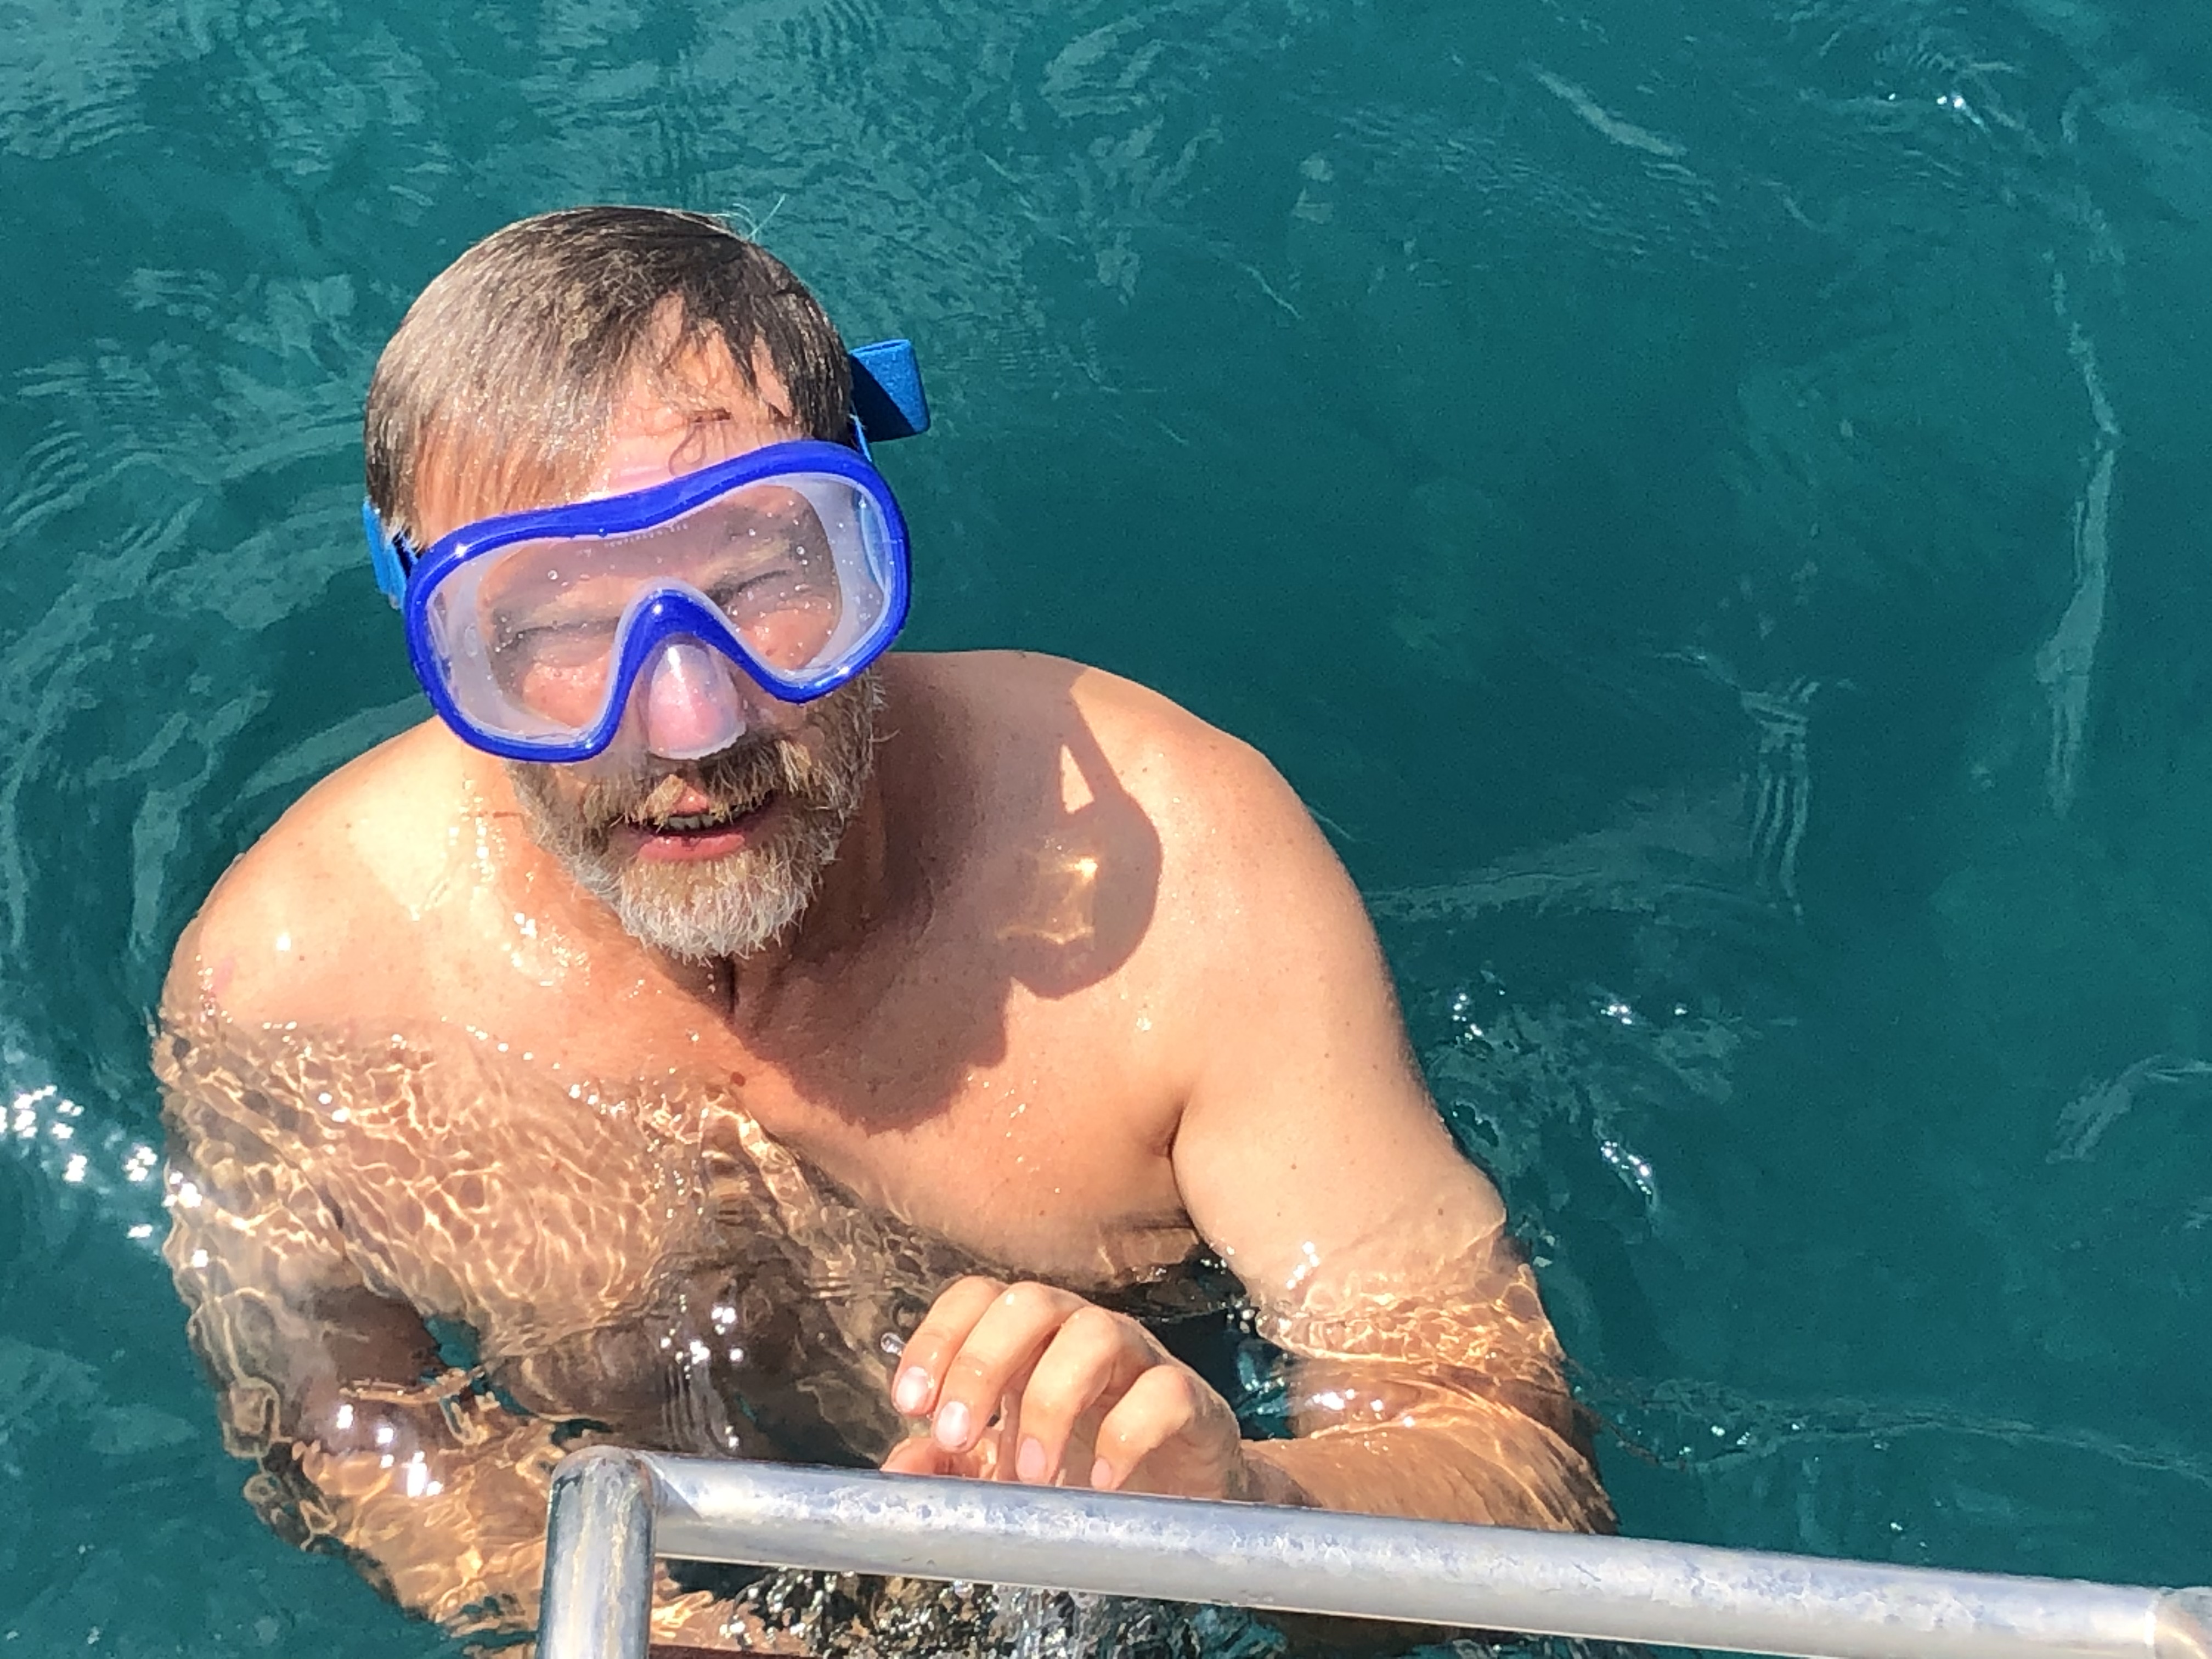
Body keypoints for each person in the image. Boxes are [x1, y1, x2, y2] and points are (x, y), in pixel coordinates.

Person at [155, 206, 1612, 1652]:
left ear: (864, 548)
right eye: (554, 628)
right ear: (440, 636)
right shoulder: (293, 981)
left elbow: (1516, 1463)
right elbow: (344, 1431)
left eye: (761, 583)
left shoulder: (1181, 875)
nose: (692, 722)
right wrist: (659, 1633)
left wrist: (1240, 1514)